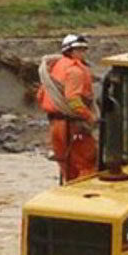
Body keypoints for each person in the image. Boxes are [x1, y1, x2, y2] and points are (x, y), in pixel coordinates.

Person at [37, 34, 97, 182]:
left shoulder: (55, 68)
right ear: (70, 51)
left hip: (56, 125)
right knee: (87, 165)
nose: (82, 53)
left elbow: (40, 95)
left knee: (66, 166)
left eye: (83, 49)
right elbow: (73, 100)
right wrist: (90, 116)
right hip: (73, 126)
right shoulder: (75, 71)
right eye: (79, 50)